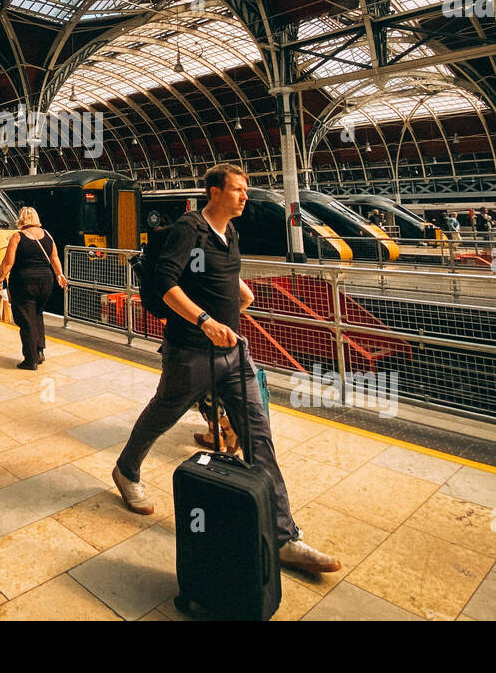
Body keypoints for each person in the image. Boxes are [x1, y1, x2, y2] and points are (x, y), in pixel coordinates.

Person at [111, 163, 341, 576]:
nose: (244, 196)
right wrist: (205, 320)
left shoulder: (230, 233)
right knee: (162, 414)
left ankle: (285, 537)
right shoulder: (189, 229)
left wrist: (240, 294)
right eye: (237, 189)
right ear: (214, 192)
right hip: (191, 353)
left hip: (236, 353)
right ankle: (126, 470)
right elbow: (167, 284)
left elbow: (225, 275)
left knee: (258, 435)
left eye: (245, 189)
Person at [0, 207, 66, 370]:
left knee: (26, 319)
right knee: (37, 314)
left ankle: (30, 359)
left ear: (21, 219)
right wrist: (59, 274)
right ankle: (40, 351)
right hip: (46, 281)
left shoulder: (17, 237)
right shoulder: (47, 235)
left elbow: (8, 263)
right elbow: (54, 257)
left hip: (24, 282)